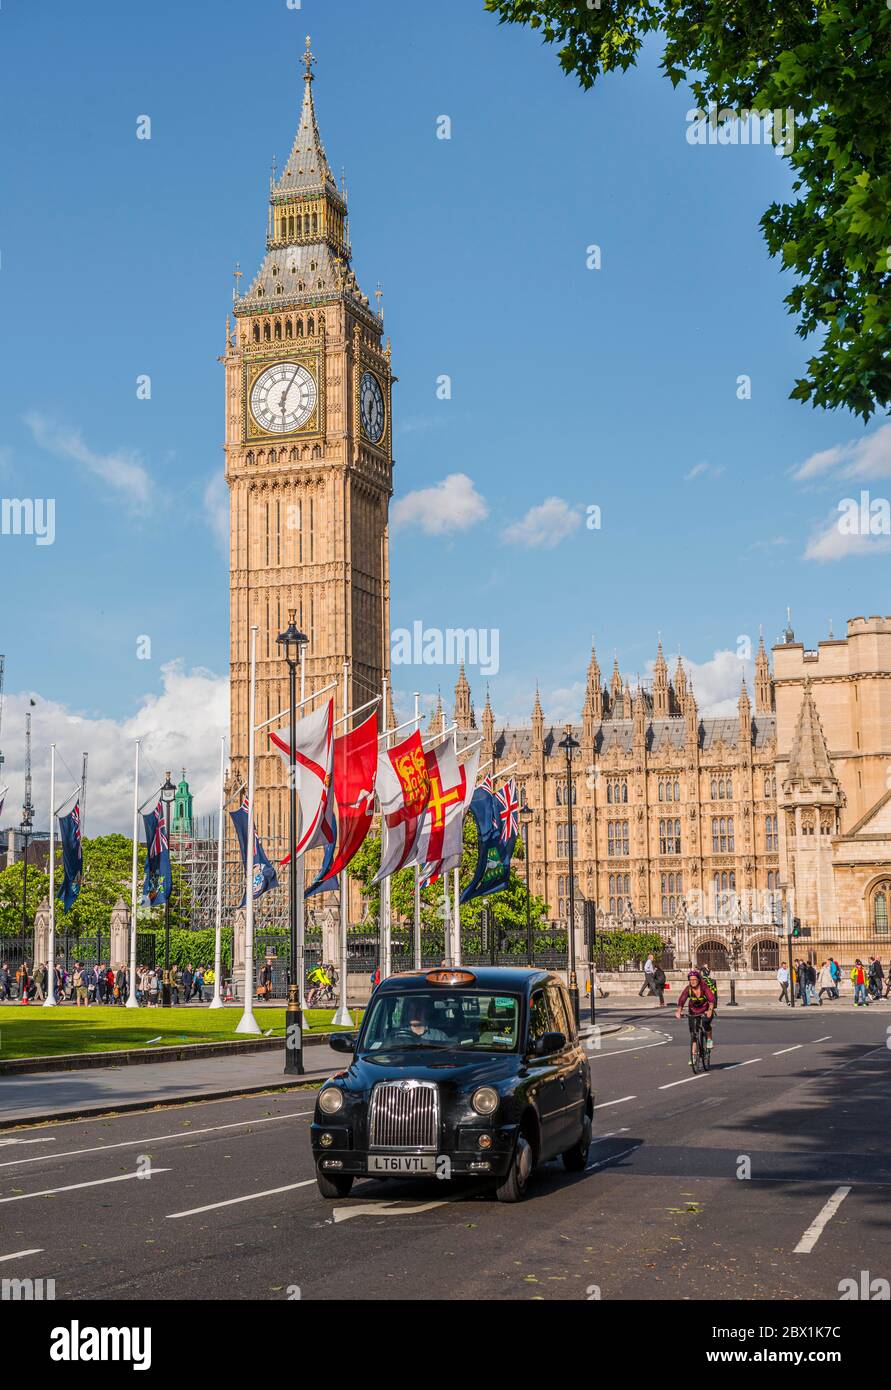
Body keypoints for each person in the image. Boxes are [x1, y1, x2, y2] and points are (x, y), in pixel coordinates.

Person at [675, 969, 716, 1068]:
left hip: (705, 1010)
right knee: (694, 1035)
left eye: (694, 979)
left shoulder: (704, 987)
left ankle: (709, 1039)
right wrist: (679, 1010)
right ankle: (693, 1057)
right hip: (693, 1011)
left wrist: (710, 1010)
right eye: (690, 979)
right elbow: (682, 999)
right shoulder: (688, 989)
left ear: (698, 980)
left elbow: (711, 999)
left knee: (706, 1023)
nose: (692, 981)